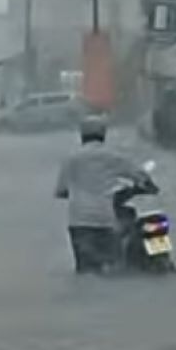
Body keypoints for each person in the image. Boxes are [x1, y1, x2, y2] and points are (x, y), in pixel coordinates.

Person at [54, 115, 145, 273]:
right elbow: (139, 175)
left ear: (82, 135)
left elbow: (61, 190)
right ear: (103, 134)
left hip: (79, 222)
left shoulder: (71, 159)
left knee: (85, 270)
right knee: (113, 269)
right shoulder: (113, 156)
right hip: (105, 219)